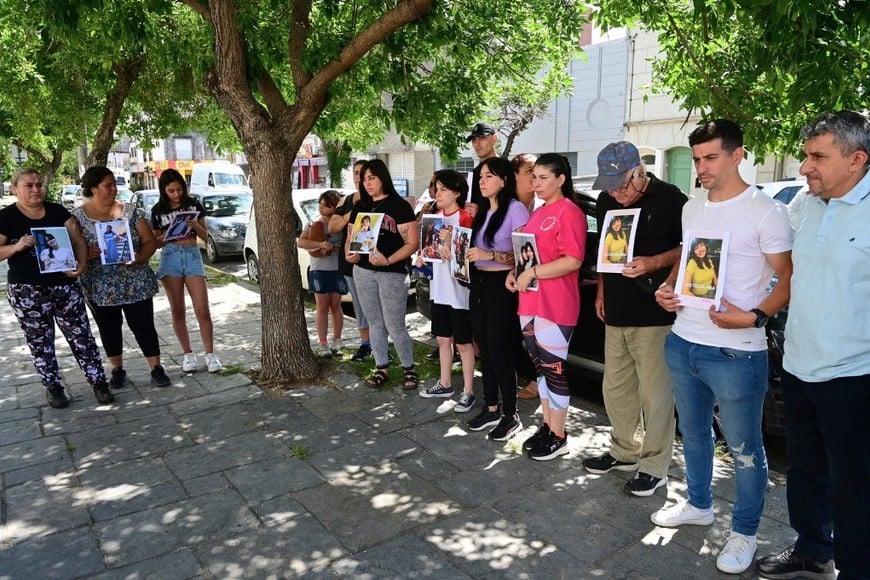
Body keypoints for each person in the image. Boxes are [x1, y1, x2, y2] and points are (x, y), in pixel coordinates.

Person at [653, 120, 793, 575]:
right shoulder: (693, 205)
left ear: (737, 155)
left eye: (710, 157)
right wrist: (667, 287)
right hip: (683, 339)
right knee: (692, 434)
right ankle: (698, 503)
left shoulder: (765, 211)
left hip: (736, 350)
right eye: (696, 159)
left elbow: (788, 276)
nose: (701, 167)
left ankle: (746, 532)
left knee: (746, 448)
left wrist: (755, 316)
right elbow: (688, 256)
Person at [755, 111, 870, 580]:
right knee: (803, 471)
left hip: (854, 377)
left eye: (818, 157)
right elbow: (777, 269)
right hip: (800, 365)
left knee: (855, 487)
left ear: (857, 159)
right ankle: (812, 549)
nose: (805, 167)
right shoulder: (806, 203)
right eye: (806, 155)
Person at [581, 140, 687, 497]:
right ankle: (624, 451)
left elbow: (691, 248)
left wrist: (654, 262)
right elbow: (604, 253)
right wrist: (600, 291)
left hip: (656, 314)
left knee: (655, 395)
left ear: (639, 171)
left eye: (622, 183)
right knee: (616, 388)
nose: (616, 192)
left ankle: (655, 467)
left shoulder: (671, 198)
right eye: (609, 185)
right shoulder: (607, 200)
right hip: (616, 310)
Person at [0, 167, 114, 408]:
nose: (35, 189)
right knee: (40, 341)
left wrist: (81, 265)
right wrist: (16, 247)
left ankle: (99, 383)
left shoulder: (57, 211)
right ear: (14, 189)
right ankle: (53, 388)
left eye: (38, 184)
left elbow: (78, 240)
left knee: (81, 336)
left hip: (64, 287)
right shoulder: (7, 217)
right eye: (28, 185)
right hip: (27, 291)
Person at [507, 153, 586, 459]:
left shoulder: (569, 212)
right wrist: (516, 274)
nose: (535, 183)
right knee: (539, 369)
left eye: (543, 178)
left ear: (561, 179)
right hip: (530, 301)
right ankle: (547, 424)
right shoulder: (539, 212)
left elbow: (573, 259)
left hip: (555, 305)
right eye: (533, 177)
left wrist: (532, 272)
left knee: (554, 370)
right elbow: (529, 256)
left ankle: (559, 433)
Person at [72, 166, 170, 389]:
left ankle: (156, 367)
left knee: (143, 325)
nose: (114, 189)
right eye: (108, 185)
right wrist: (87, 253)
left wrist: (139, 258)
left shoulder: (131, 211)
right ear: (93, 188)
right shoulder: (76, 218)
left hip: (135, 282)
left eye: (114, 184)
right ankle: (117, 369)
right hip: (99, 285)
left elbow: (149, 241)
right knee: (109, 327)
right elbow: (71, 251)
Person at [465, 157, 530, 440]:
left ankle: (511, 415)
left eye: (489, 176)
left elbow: (524, 254)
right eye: (480, 176)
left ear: (504, 180)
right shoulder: (482, 212)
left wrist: (490, 255)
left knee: (500, 350)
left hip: (502, 286)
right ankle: (491, 407)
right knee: (485, 350)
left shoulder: (515, 210)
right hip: (478, 284)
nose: (482, 180)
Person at [345, 160, 419, 389]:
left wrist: (388, 259)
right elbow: (350, 240)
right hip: (364, 271)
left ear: (382, 178)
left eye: (372, 178)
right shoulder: (360, 207)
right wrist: (350, 254)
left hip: (392, 273)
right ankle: (381, 367)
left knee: (395, 324)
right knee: (375, 322)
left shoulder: (400, 206)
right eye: (364, 178)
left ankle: (409, 369)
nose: (367, 183)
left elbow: (412, 243)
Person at [415, 170, 476, 413]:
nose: (437, 194)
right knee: (442, 338)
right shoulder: (434, 218)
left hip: (459, 290)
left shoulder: (465, 217)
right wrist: (422, 257)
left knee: (463, 343)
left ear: (457, 192)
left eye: (443, 189)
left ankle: (469, 390)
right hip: (439, 288)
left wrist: (453, 245)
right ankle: (445, 382)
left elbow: (469, 254)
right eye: (435, 189)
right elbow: (428, 252)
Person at [151, 168, 223, 373]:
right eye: (171, 191)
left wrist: (194, 225)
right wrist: (168, 233)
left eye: (179, 189)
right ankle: (188, 355)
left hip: (192, 254)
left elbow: (205, 234)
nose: (176, 194)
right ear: (164, 190)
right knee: (177, 309)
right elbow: (154, 243)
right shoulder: (158, 211)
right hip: (170, 255)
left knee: (202, 308)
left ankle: (210, 354)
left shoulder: (194, 205)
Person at [328, 159, 373, 362]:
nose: (359, 177)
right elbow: (333, 226)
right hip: (350, 261)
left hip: (375, 262)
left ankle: (382, 343)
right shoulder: (345, 201)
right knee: (360, 305)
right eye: (356, 173)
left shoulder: (378, 198)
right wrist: (350, 213)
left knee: (377, 305)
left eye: (364, 174)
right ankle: (366, 344)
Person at [297, 190, 347, 357]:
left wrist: (334, 247)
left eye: (326, 205)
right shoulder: (313, 223)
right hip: (319, 269)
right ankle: (322, 342)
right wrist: (320, 244)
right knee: (322, 306)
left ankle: (337, 339)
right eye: (320, 204)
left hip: (337, 268)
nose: (321, 208)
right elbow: (302, 242)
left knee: (336, 305)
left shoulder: (340, 224)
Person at [467, 122, 499, 213]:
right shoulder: (472, 174)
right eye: (473, 140)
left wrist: (482, 212)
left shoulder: (508, 169)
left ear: (494, 139)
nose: (477, 144)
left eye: (482, 138)